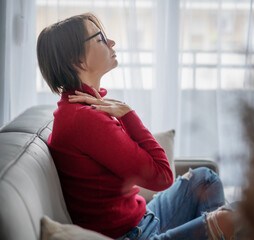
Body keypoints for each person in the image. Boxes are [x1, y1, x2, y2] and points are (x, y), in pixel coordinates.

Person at [37, 13, 236, 240]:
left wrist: (122, 111)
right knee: (234, 216)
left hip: (143, 219)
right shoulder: (85, 119)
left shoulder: (82, 109)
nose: (111, 42)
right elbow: (162, 176)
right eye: (100, 38)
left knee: (205, 178)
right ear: (77, 60)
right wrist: (129, 115)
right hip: (134, 235)